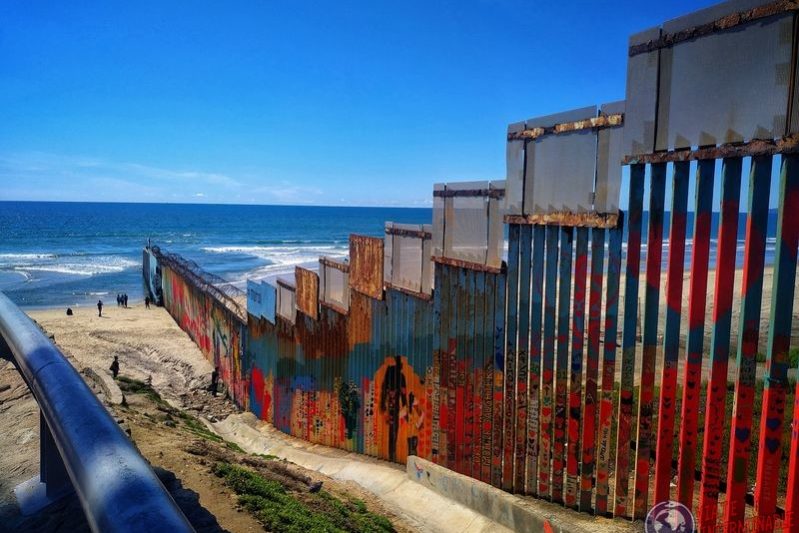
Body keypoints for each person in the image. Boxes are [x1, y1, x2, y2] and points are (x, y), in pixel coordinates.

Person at [380, 356, 407, 463]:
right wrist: (405, 406)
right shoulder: (400, 376)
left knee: (392, 429)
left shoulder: (389, 373)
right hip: (394, 406)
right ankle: (392, 453)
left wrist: (383, 403)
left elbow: (384, 390)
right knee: (394, 429)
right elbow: (403, 394)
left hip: (390, 405)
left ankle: (392, 453)